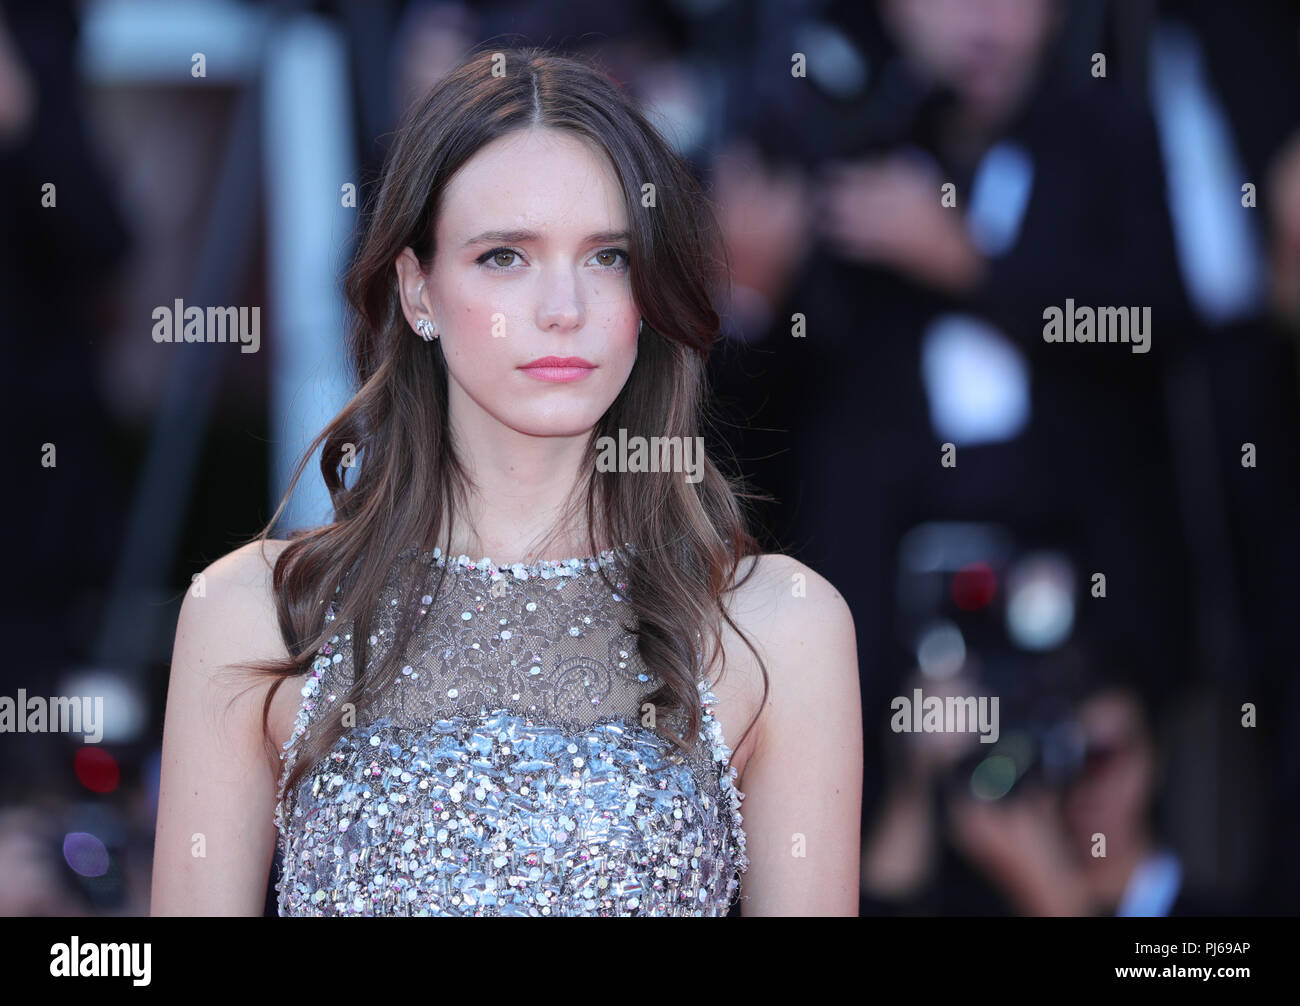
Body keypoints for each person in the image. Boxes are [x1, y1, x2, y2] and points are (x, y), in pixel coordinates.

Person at [149, 46, 862, 917]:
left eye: (607, 256)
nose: (564, 307)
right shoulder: (253, 614)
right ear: (417, 290)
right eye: (504, 257)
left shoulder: (776, 627)